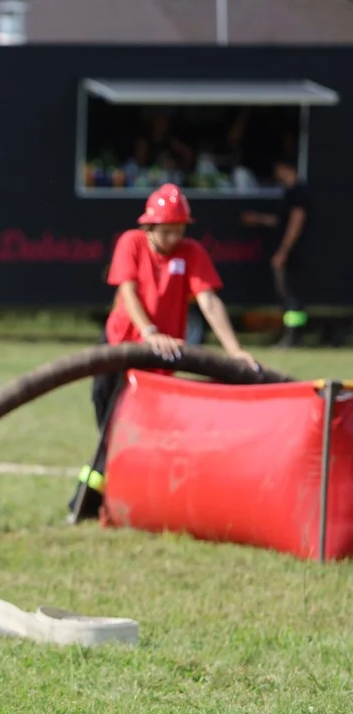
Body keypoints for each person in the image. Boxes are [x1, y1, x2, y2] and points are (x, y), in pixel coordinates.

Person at [69, 183, 257, 521]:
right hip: (118, 347)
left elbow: (209, 301)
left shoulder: (192, 253)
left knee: (134, 431)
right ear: (150, 226)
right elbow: (128, 292)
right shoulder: (132, 243)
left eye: (180, 230)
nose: (174, 238)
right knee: (109, 426)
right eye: (167, 231)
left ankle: (98, 504)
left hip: (158, 361)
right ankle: (98, 503)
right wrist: (149, 332)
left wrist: (235, 350)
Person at [241, 156, 310, 347]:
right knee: (285, 296)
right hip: (285, 252)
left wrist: (284, 251)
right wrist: (257, 219)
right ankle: (288, 334)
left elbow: (296, 222)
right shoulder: (289, 193)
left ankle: (293, 337)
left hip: (292, 254)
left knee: (291, 297)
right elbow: (280, 221)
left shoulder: (299, 192)